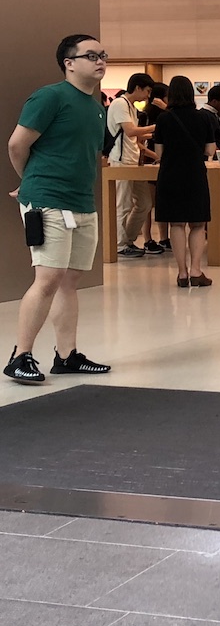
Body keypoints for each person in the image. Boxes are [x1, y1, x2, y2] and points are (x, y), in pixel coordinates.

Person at [5, 34, 113, 384]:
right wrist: (31, 183)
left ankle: (66, 356)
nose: (100, 61)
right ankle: (20, 355)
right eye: (91, 55)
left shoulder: (97, 107)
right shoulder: (50, 96)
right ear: (69, 63)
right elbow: (17, 144)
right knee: (48, 278)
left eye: (103, 55)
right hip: (48, 200)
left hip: (82, 202)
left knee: (70, 280)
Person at [153, 75, 217, 287]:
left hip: (170, 174)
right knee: (198, 223)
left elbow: (159, 152)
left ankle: (182, 273)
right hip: (195, 173)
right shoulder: (204, 118)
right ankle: (197, 270)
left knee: (176, 223)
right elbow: (210, 150)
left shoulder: (163, 119)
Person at [107, 72, 159, 258]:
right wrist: (156, 126)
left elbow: (135, 135)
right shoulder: (120, 103)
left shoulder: (131, 107)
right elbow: (130, 131)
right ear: (137, 88)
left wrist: (153, 133)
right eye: (147, 91)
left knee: (144, 203)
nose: (147, 95)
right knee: (123, 204)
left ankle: (127, 239)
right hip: (121, 161)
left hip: (133, 161)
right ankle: (120, 245)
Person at [139, 82, 170, 253]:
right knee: (148, 203)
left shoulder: (166, 116)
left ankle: (164, 237)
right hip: (149, 163)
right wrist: (155, 156)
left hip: (163, 163)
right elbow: (140, 141)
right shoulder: (146, 116)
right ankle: (147, 239)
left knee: (162, 202)